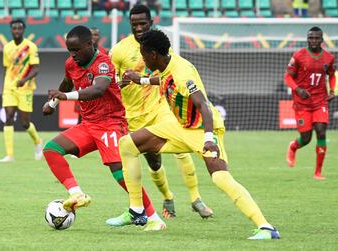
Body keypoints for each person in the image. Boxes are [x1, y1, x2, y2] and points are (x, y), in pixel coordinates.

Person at [118, 29, 280, 239]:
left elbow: (203, 105)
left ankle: (266, 227)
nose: (141, 58)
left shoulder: (182, 72)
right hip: (179, 127)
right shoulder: (167, 64)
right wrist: (141, 80)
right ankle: (137, 211)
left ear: (153, 55)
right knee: (127, 144)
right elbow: (166, 81)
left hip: (202, 129)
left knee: (221, 178)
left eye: (143, 53)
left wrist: (209, 139)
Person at [42, 25, 165, 231]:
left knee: (119, 172)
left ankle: (153, 218)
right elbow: (66, 83)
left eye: (76, 50)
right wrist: (53, 104)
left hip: (111, 123)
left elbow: (98, 89)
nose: (73, 55)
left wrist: (65, 97)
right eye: (69, 50)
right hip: (89, 125)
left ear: (90, 44)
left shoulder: (103, 63)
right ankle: (76, 194)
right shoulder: (71, 63)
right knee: (51, 149)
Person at [107, 4, 212, 225]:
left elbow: (172, 71)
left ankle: (196, 199)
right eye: (134, 24)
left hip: (161, 107)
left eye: (142, 24)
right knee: (154, 163)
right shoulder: (118, 51)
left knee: (182, 151)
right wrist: (121, 83)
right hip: (134, 115)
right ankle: (168, 198)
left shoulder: (161, 45)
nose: (138, 28)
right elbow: (108, 84)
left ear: (151, 23)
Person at [285, 26, 336, 179]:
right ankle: (293, 146)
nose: (313, 40)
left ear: (322, 40)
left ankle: (318, 172)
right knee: (306, 138)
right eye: (311, 38)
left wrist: (332, 91)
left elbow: (332, 75)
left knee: (321, 131)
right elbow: (288, 77)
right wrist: (298, 89)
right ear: (307, 39)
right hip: (302, 103)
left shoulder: (328, 58)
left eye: (317, 38)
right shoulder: (299, 56)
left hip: (320, 101)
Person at [0, 19, 42, 163]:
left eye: (19, 28)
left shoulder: (31, 47)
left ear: (24, 30)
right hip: (9, 87)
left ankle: (37, 142)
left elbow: (35, 68)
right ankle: (9, 155)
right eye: (14, 28)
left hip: (26, 88)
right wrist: (4, 85)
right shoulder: (7, 48)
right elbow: (6, 68)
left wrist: (23, 80)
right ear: (11, 30)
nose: (17, 31)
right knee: (9, 117)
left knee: (25, 123)